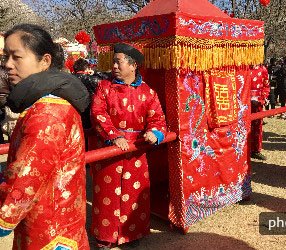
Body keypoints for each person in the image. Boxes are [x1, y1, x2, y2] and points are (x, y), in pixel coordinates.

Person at [0, 24, 89, 249]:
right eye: (6, 57)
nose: (8, 65)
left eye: (16, 57)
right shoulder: (46, 103)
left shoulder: (48, 112)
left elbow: (26, 177)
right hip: (60, 220)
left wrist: (4, 215)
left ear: (45, 61)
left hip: (49, 230)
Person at [90, 43, 167, 249]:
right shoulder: (104, 87)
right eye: (113, 61)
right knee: (106, 193)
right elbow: (98, 113)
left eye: (119, 61)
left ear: (133, 66)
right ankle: (105, 236)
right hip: (109, 150)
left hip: (136, 152)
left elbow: (158, 119)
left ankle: (132, 234)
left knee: (134, 194)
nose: (114, 65)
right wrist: (113, 136)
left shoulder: (148, 92)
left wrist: (154, 133)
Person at [250, 64, 270, 160]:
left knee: (257, 127)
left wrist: (264, 97)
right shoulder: (243, 67)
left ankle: (256, 150)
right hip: (244, 102)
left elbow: (266, 85)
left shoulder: (262, 69)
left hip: (258, 102)